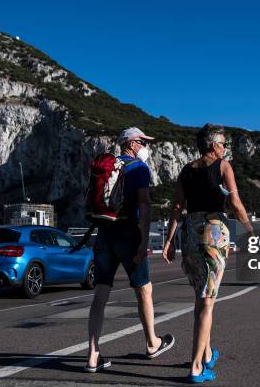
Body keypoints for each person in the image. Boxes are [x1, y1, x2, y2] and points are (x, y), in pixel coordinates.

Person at [162, 123, 253, 383]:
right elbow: (234, 203)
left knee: (202, 299)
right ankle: (196, 367)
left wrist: (169, 241)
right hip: (213, 231)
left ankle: (207, 352)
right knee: (207, 301)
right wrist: (249, 231)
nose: (225, 149)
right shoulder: (223, 167)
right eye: (224, 144)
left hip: (190, 232)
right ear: (214, 145)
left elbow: (177, 207)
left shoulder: (186, 170)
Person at [84, 127, 175, 373]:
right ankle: (152, 343)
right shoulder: (138, 168)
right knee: (144, 289)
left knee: (101, 293)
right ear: (133, 143)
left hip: (104, 234)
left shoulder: (108, 166)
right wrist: (143, 242)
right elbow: (144, 207)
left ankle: (93, 356)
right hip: (128, 234)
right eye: (144, 141)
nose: (147, 145)